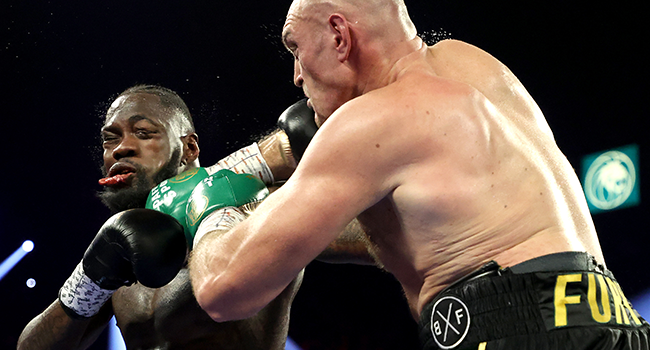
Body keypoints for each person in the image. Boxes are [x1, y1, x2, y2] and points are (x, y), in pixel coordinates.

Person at [188, 1, 649, 349]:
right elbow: (405, 233)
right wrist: (267, 210)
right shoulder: (472, 64)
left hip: (514, 328)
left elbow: (224, 289)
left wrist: (208, 208)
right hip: (616, 321)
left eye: (294, 46)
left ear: (338, 35)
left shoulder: (374, 120)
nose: (295, 75)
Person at [16, 84, 336, 350]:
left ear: (190, 148)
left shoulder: (249, 206)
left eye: (143, 133)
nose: (120, 149)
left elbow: (365, 239)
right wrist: (87, 281)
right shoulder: (124, 249)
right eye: (109, 139)